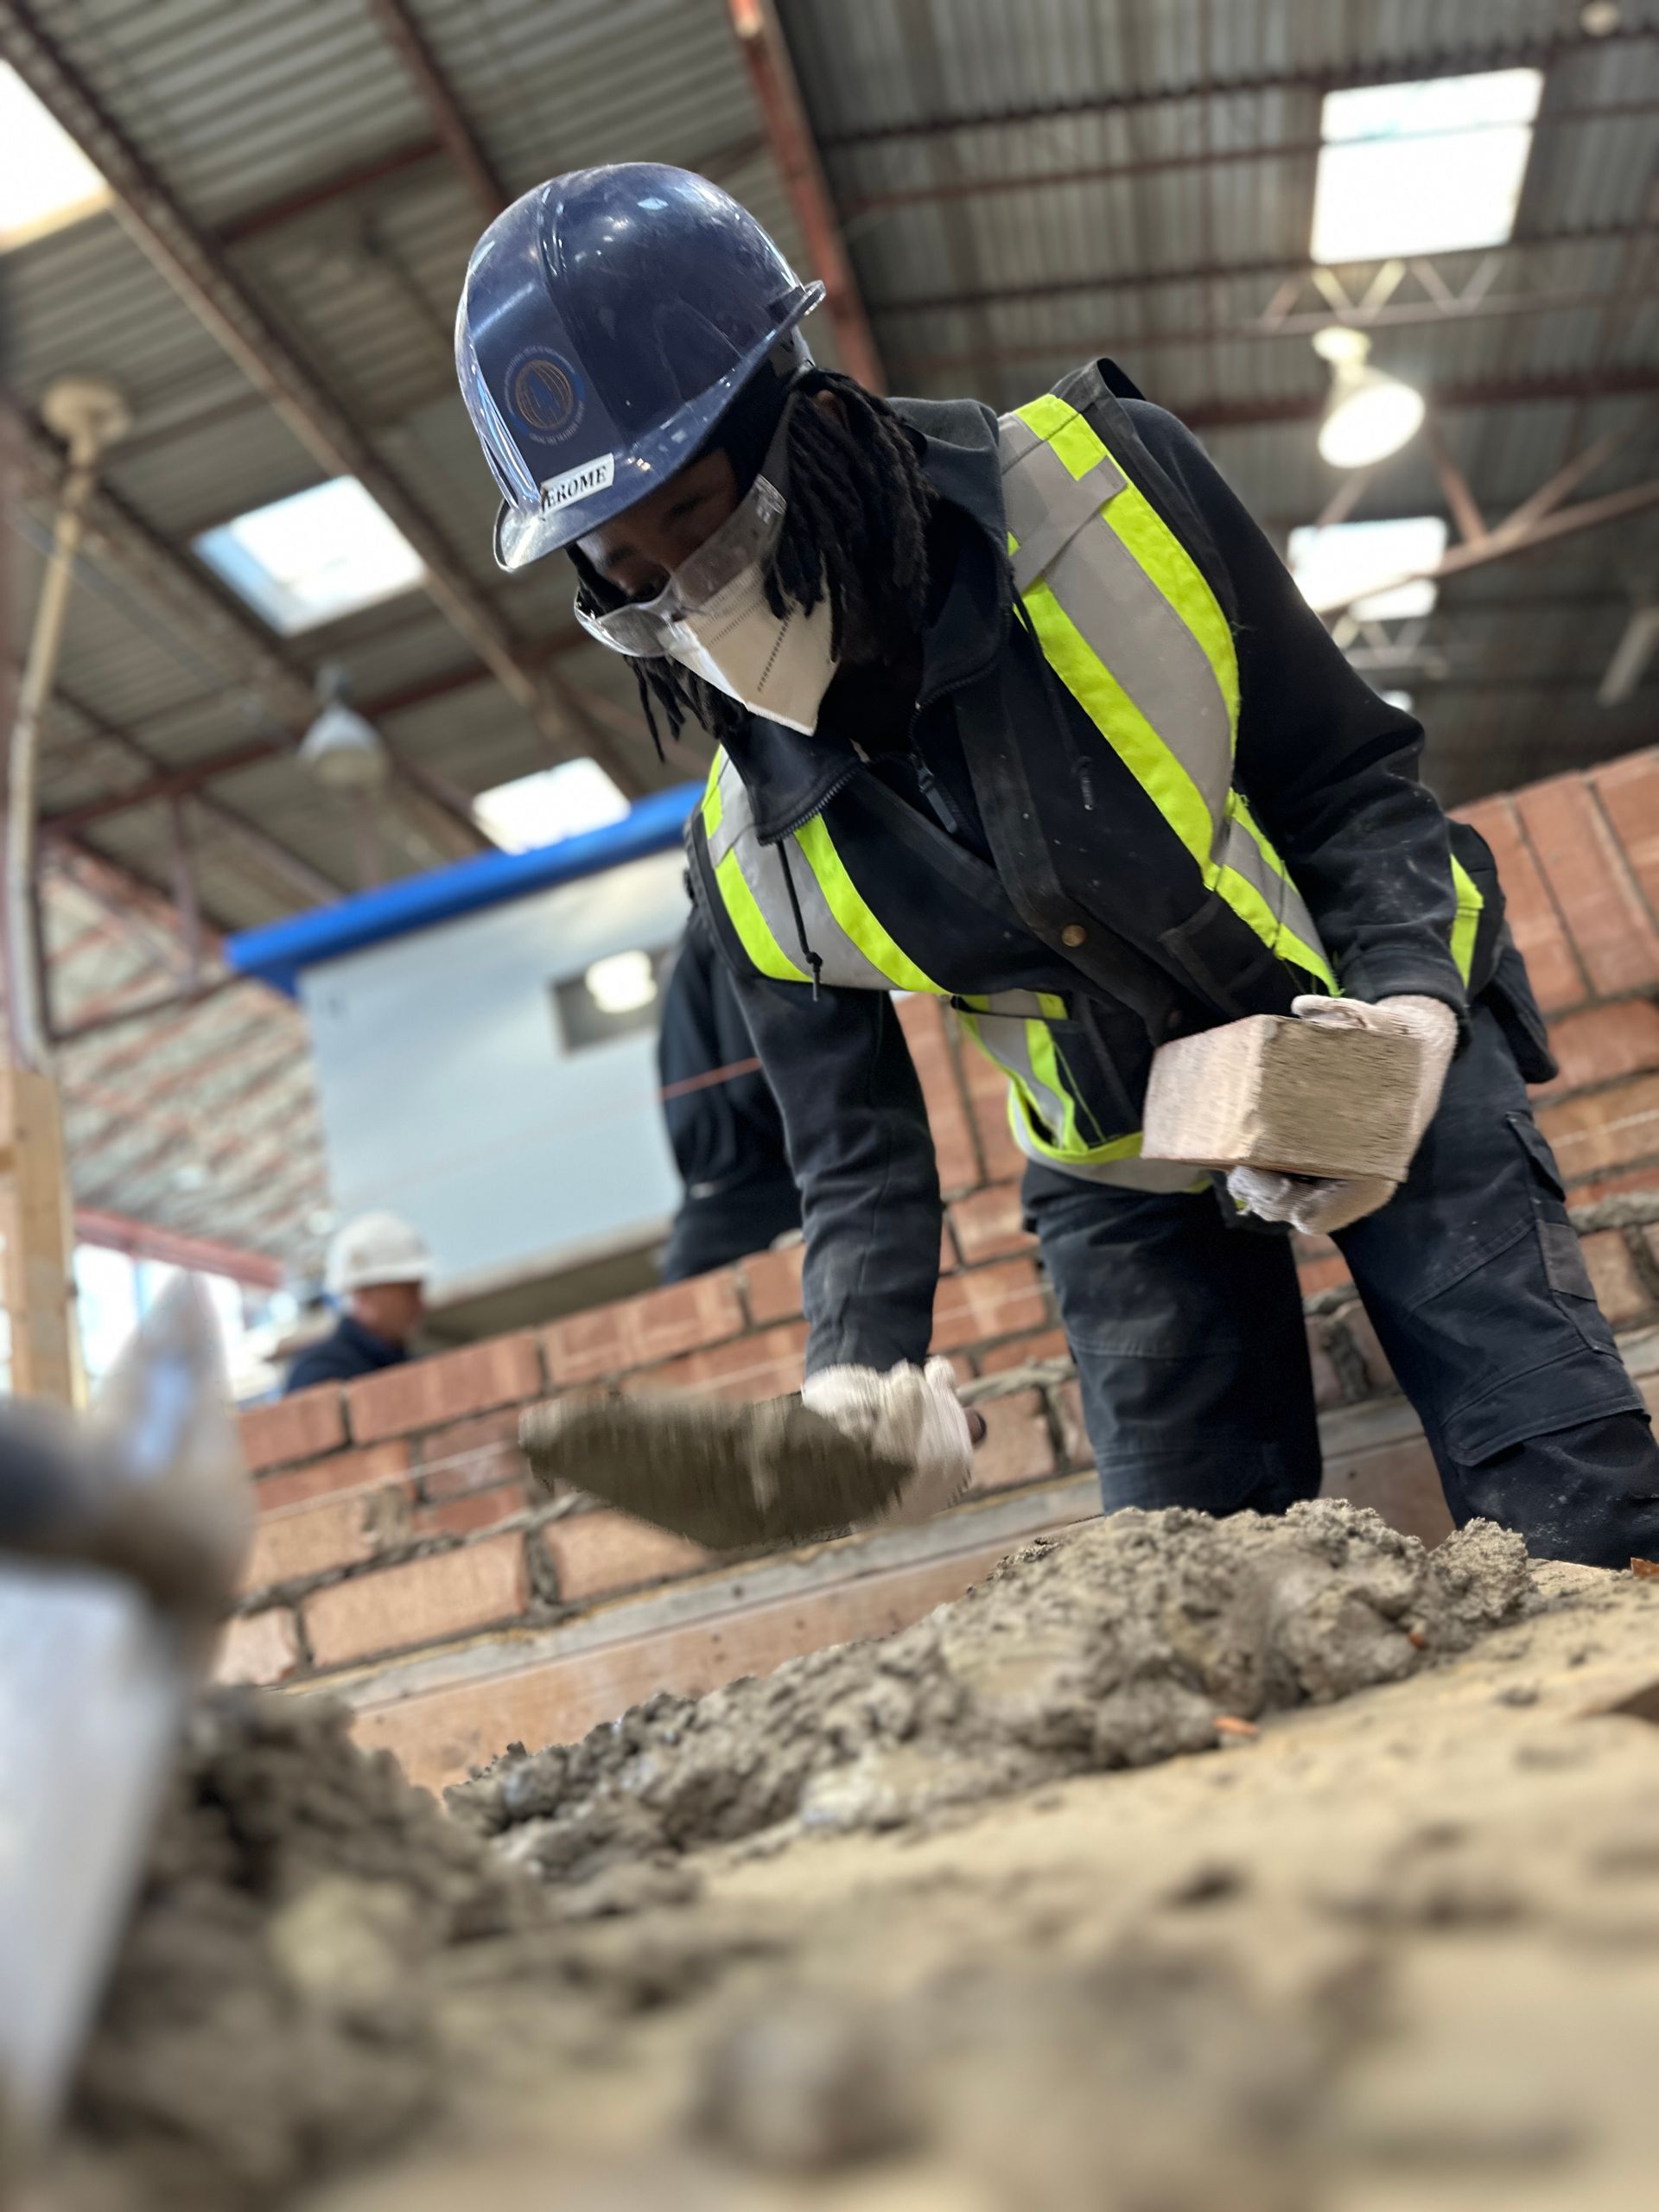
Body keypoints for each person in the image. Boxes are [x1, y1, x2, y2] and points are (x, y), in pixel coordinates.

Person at [454, 163, 1659, 1568]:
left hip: (1355, 1033)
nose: (687, 590)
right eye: (629, 570)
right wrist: (859, 1386)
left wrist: (1404, 1020)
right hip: (1120, 1169)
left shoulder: (1102, 492)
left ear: (803, 417)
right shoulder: (745, 859)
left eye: (701, 514)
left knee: (1572, 1503)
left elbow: (1350, 781)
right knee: (1186, 1592)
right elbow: (856, 1161)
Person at [658, 904, 801, 1283]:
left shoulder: (689, 943)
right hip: (752, 1203)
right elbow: (752, 1079)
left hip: (710, 1210)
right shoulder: (728, 918)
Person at [284, 1211, 431, 1393]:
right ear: (365, 1294)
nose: (420, 1304)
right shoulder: (320, 1373)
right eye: (408, 1292)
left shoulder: (407, 1364)